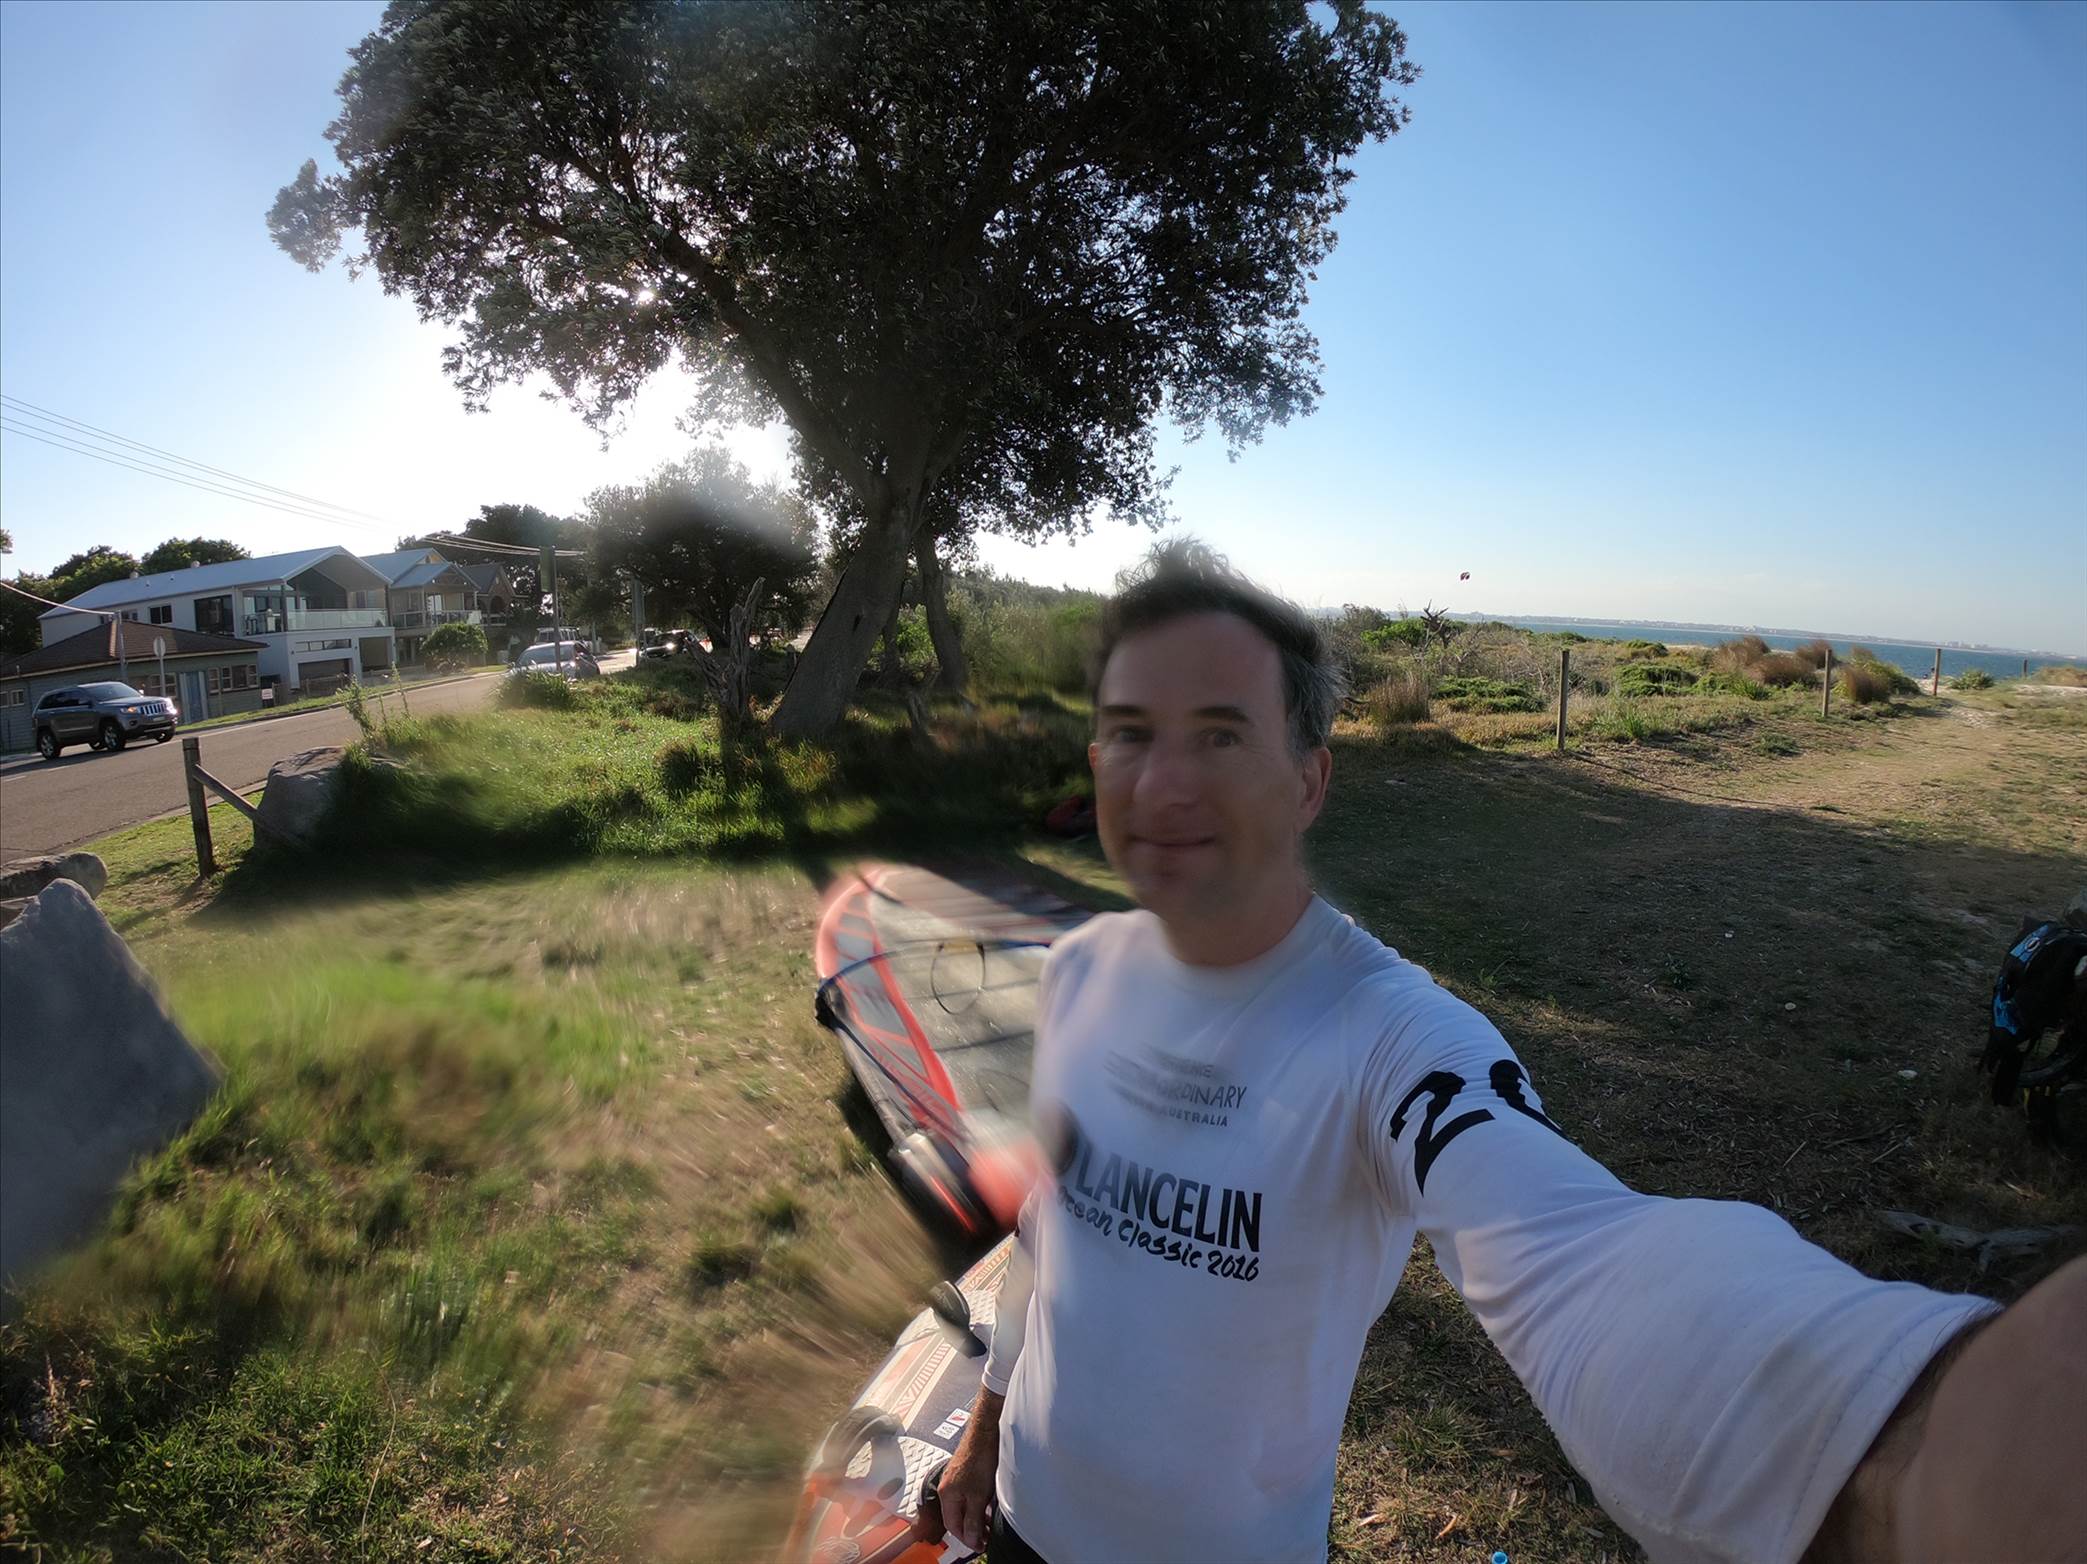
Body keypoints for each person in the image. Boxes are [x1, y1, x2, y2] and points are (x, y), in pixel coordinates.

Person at [923, 542, 2086, 1564]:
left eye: (1220, 734)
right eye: (1130, 733)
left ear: (1308, 779)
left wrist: (1896, 1458)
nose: (1164, 780)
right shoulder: (1078, 973)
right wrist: (983, 1431)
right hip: (1026, 1517)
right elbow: (1045, 1239)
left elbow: (1574, 1242)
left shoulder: (1387, 1032)